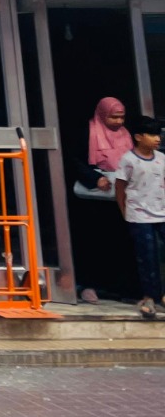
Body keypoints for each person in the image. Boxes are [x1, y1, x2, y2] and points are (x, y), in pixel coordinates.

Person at [69, 96, 137, 303]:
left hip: (119, 196)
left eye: (121, 117)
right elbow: (74, 159)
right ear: (102, 115)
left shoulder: (126, 135)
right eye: (113, 117)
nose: (118, 122)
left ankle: (118, 288)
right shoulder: (88, 132)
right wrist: (95, 178)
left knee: (120, 242)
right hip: (94, 199)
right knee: (94, 242)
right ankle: (89, 286)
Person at [114, 116, 165, 319]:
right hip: (139, 215)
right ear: (138, 137)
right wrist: (126, 212)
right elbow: (120, 188)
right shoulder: (128, 160)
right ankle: (149, 297)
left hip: (162, 212)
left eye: (158, 134)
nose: (157, 139)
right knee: (147, 257)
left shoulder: (162, 159)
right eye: (152, 134)